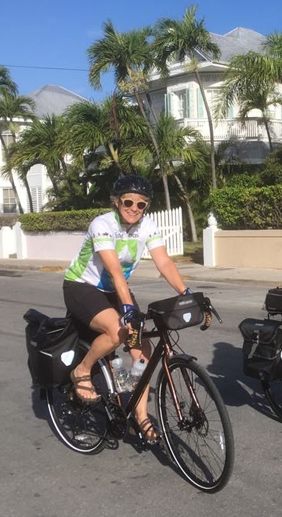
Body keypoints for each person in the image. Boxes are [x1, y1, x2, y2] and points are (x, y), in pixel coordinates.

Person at [63, 174, 189, 443]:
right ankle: (82, 370)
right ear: (117, 202)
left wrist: (187, 293)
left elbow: (164, 263)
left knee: (141, 349)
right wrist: (129, 307)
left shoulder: (148, 226)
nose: (134, 208)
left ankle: (140, 415)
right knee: (118, 330)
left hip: (114, 291)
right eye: (128, 201)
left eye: (141, 204)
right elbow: (115, 271)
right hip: (82, 287)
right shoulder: (102, 224)